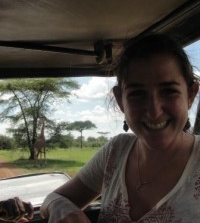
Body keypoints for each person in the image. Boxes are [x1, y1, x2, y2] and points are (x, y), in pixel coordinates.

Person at [40, 33, 200, 222]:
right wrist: (61, 207)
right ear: (120, 100)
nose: (154, 111)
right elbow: (52, 200)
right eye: (137, 94)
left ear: (190, 95)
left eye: (169, 91)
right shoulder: (115, 152)